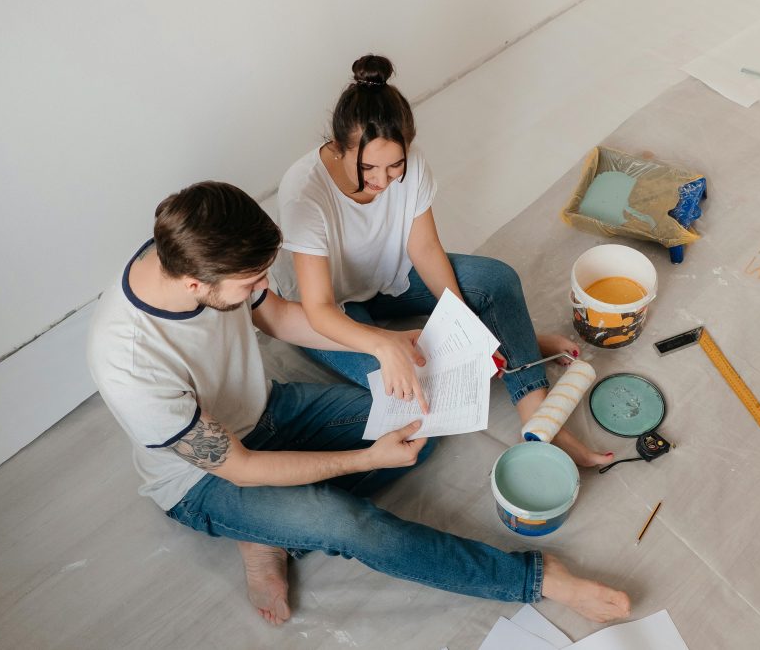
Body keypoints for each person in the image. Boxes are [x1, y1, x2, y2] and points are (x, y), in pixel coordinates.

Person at [87, 181, 630, 626]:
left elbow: (275, 317)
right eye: (251, 279)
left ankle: (269, 530)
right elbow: (243, 468)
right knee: (347, 525)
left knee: (421, 420)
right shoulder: (129, 361)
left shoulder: (190, 244)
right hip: (206, 480)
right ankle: (535, 578)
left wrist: (380, 341)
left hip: (267, 412)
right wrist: (366, 460)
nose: (259, 285)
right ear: (192, 284)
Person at [272, 54, 614, 467]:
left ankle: (542, 422)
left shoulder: (411, 167)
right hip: (328, 308)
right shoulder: (303, 191)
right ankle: (511, 338)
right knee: (406, 388)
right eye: (367, 168)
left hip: (389, 276)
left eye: (394, 165)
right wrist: (384, 346)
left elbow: (425, 250)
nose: (381, 181)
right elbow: (320, 310)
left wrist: (465, 326)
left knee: (497, 281)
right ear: (339, 147)